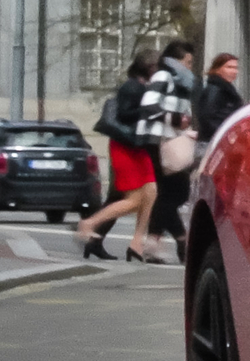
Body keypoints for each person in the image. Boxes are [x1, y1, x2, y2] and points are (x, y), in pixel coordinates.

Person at [79, 51, 164, 263]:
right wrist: (148, 110)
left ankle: (137, 242)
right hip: (125, 147)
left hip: (137, 145)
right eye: (155, 66)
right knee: (134, 200)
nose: (158, 70)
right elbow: (125, 114)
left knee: (151, 191)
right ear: (147, 67)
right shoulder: (131, 86)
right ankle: (89, 224)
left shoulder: (143, 86)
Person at [146, 40, 200, 247]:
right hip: (160, 141)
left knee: (168, 194)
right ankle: (179, 239)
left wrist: (185, 129)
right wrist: (175, 120)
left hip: (172, 140)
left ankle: (154, 242)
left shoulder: (180, 83)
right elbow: (149, 106)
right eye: (188, 62)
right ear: (175, 61)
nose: (190, 67)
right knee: (175, 193)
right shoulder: (164, 76)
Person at [196, 53, 245, 142]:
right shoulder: (215, 90)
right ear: (217, 69)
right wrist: (226, 135)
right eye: (229, 67)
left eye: (236, 68)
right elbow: (208, 117)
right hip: (213, 142)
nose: (234, 71)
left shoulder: (227, 89)